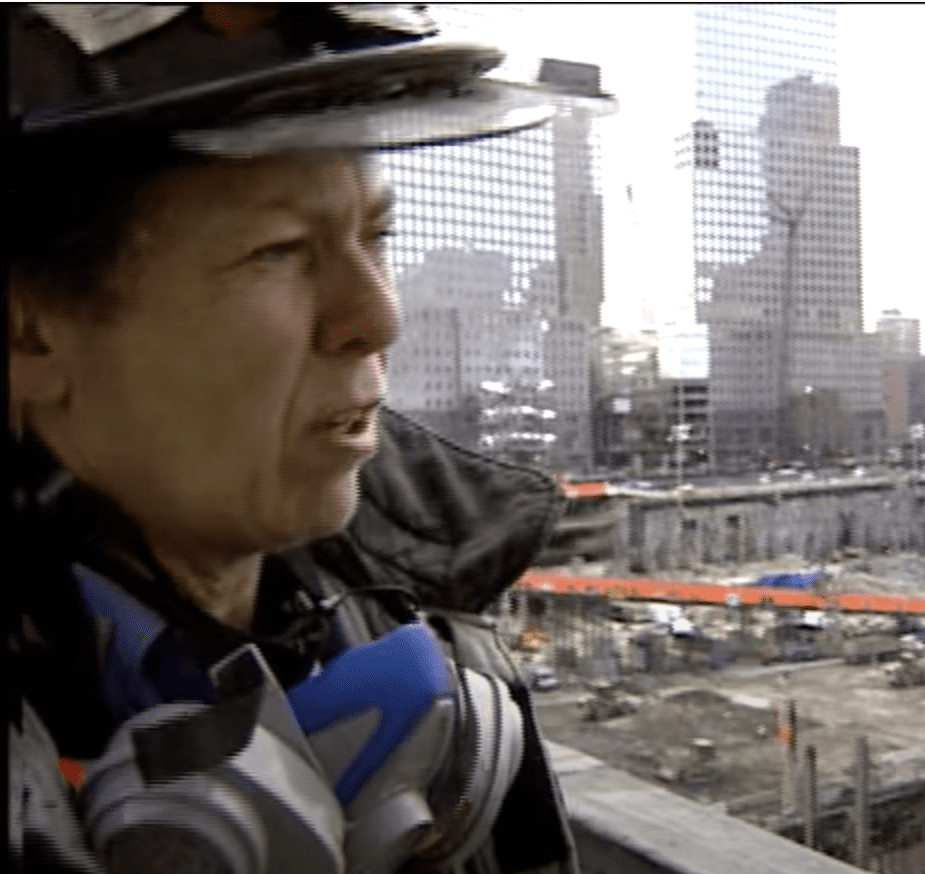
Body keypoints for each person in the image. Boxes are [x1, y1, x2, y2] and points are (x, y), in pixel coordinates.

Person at [8, 5, 603, 873]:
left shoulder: (438, 650)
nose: (376, 319)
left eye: (376, 236)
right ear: (32, 337)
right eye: (278, 252)